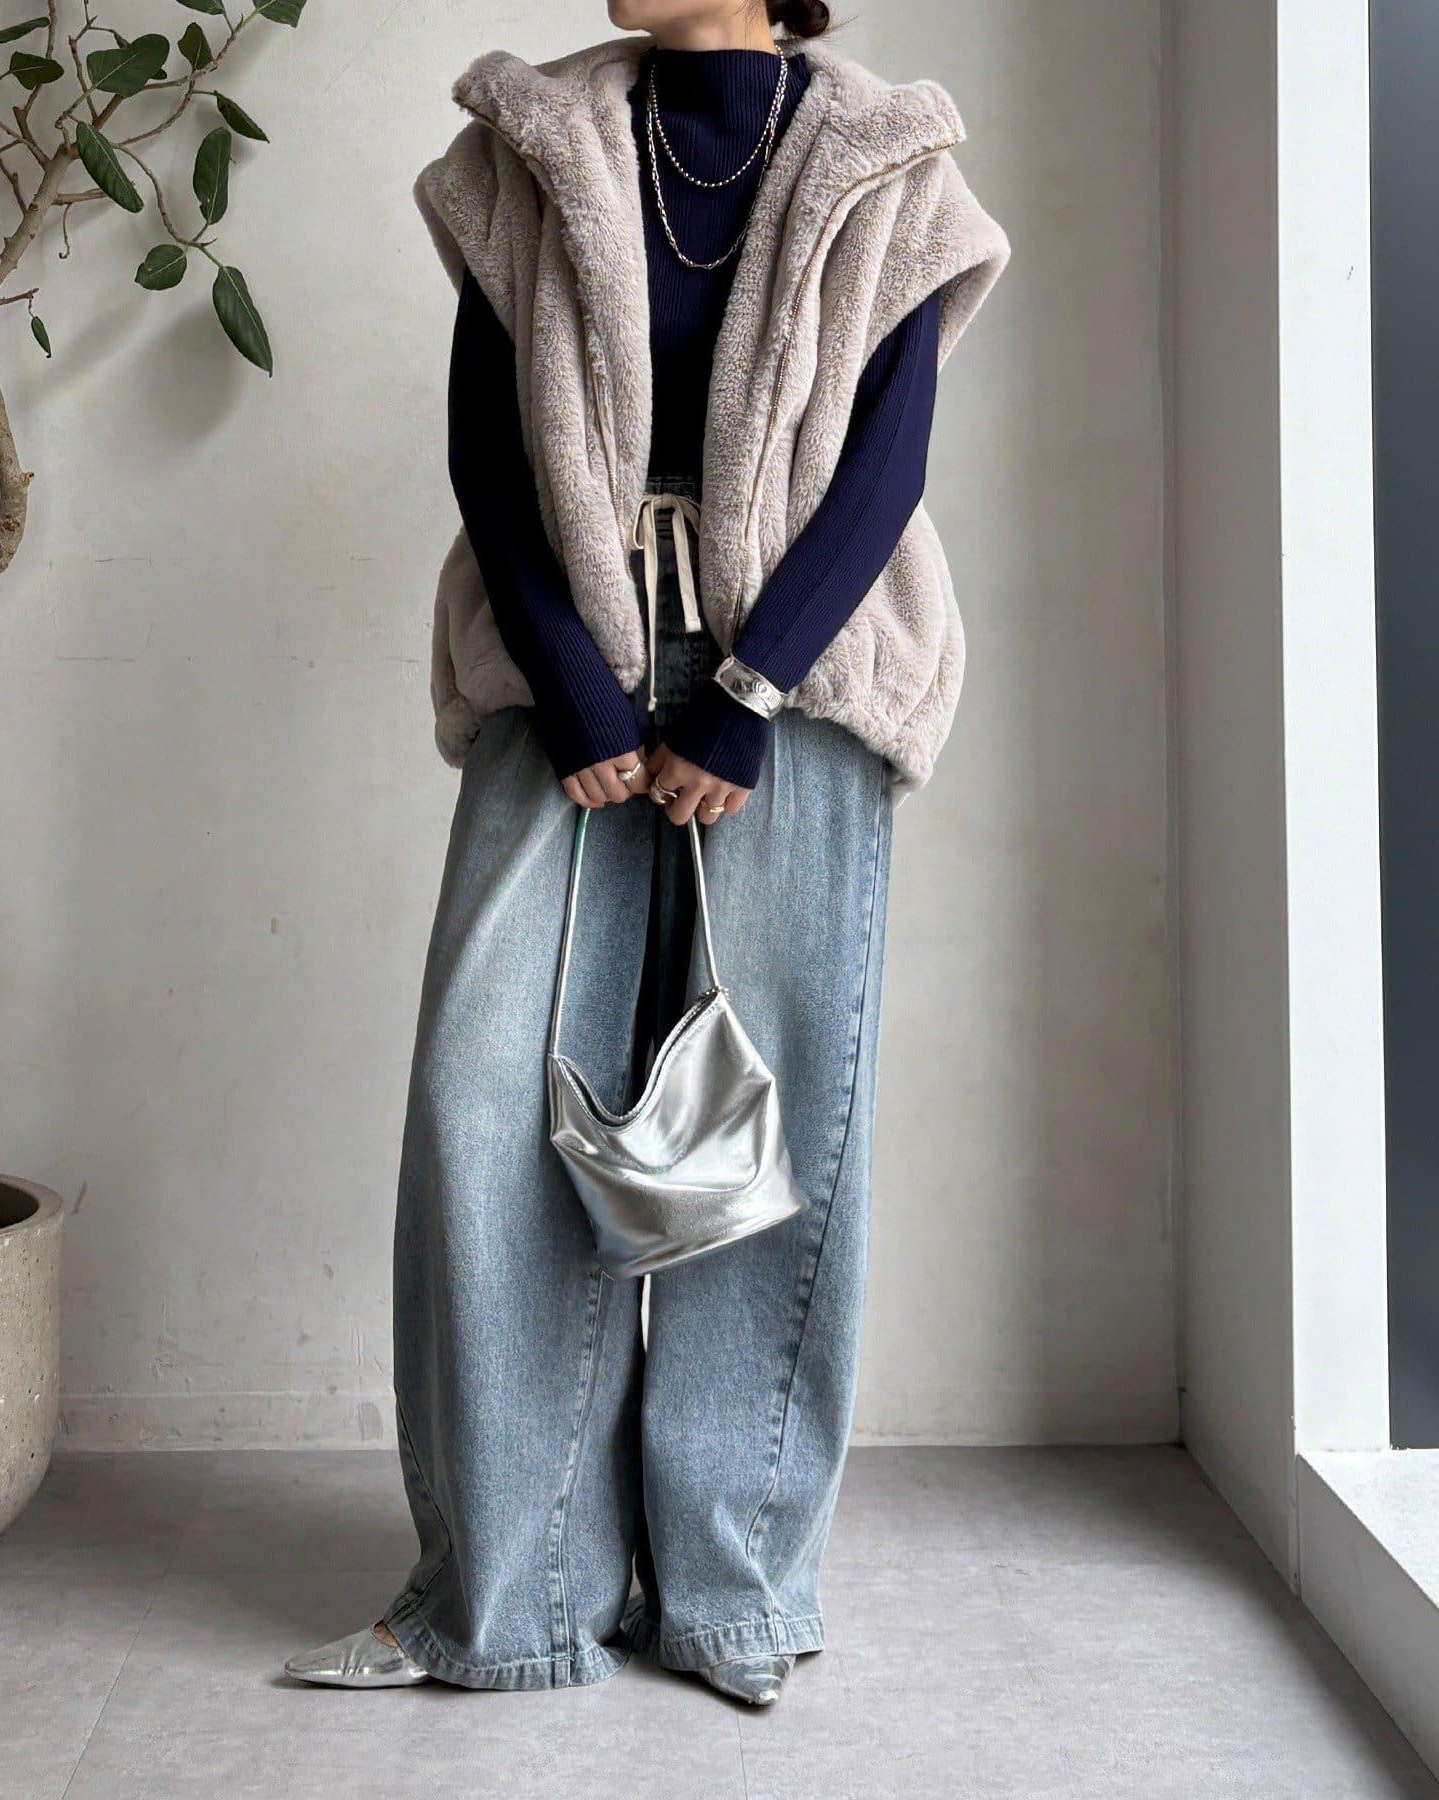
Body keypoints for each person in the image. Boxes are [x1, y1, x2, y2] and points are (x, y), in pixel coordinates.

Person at [286, 0, 1006, 1706]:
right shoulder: (523, 153)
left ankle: (730, 1594)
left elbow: (888, 462)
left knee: (774, 1130)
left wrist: (749, 696)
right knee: (488, 1105)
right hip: (569, 667)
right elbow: (488, 448)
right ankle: (511, 1601)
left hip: (802, 679)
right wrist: (574, 684)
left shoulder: (893, 162)